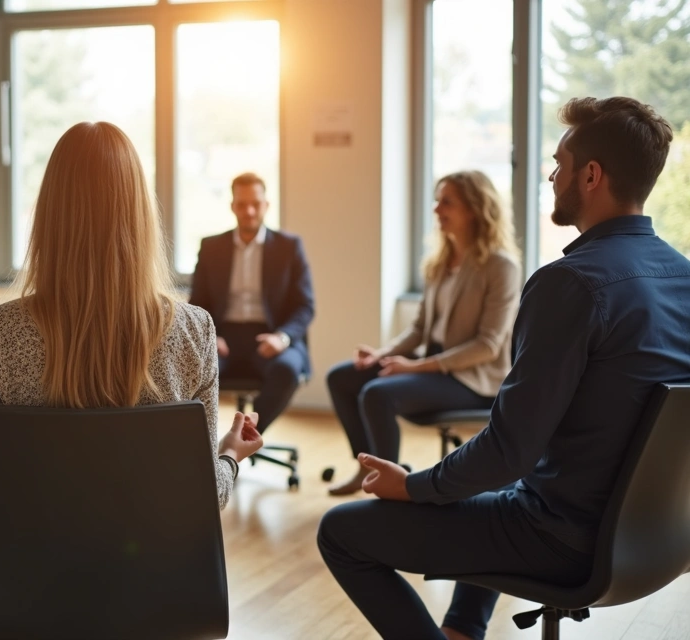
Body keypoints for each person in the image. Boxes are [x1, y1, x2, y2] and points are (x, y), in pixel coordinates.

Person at [317, 97, 690, 640]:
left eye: (560, 163)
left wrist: (414, 486)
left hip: (565, 539)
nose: (552, 175)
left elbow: (508, 452)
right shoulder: (682, 275)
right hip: (661, 539)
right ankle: (464, 629)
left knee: (340, 533)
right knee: (499, 497)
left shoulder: (571, 284)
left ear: (591, 175)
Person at [0, 122, 265, 634]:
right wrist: (230, 455)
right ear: (140, 212)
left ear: (50, 213)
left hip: (33, 590)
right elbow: (203, 497)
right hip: (158, 591)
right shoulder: (194, 330)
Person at [325, 171, 521, 495]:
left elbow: (487, 346)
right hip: (433, 365)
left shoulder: (501, 266)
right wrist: (381, 354)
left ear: (474, 209)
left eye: (446, 202)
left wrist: (414, 367)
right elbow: (418, 329)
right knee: (341, 377)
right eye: (436, 200)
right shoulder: (440, 262)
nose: (436, 209)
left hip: (473, 378)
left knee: (377, 393)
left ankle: (390, 486)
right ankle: (368, 468)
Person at [189, 172, 314, 438]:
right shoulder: (211, 247)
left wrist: (283, 337)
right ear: (232, 206)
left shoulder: (288, 247)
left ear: (266, 205)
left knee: (288, 369)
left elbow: (305, 305)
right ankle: (201, 446)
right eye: (242, 204)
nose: (249, 211)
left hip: (271, 334)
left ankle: (246, 436)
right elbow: (197, 303)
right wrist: (212, 336)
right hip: (223, 336)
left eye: (255, 204)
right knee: (191, 367)